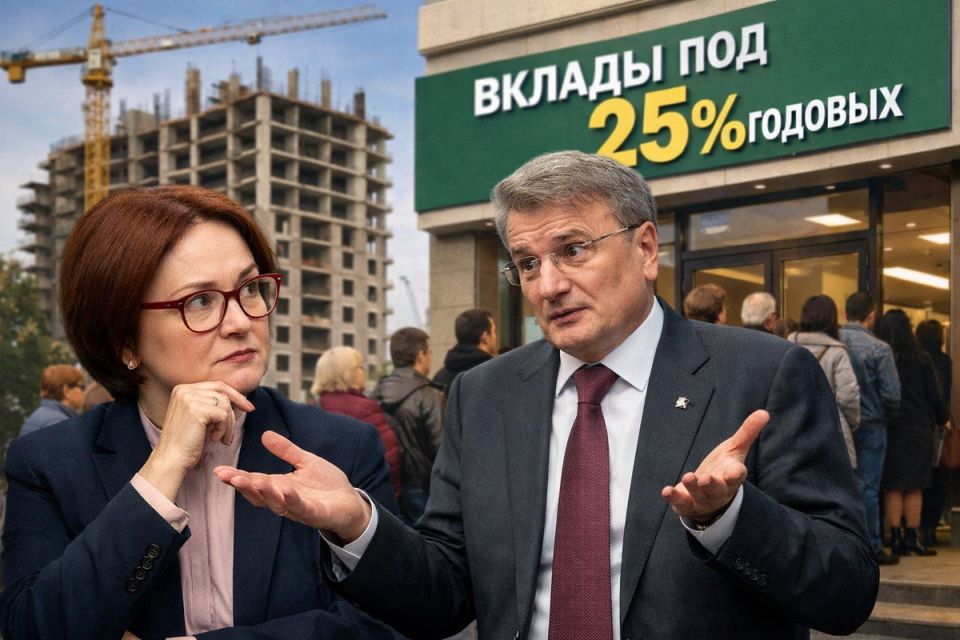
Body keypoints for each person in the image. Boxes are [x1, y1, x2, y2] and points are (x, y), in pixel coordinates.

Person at [216, 151, 877, 639]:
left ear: (646, 248)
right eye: (528, 263)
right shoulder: (484, 395)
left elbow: (846, 590)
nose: (548, 285)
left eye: (573, 250)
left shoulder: (763, 374)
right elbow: (446, 594)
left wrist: (730, 518)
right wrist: (358, 525)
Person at [0, 186, 402, 639]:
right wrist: (163, 469)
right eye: (200, 301)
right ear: (124, 341)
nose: (241, 322)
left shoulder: (339, 446)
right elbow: (33, 627)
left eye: (250, 288)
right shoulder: (49, 464)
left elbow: (388, 622)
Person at [876, 309, 949, 557]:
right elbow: (934, 396)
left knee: (893, 485)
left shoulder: (882, 355)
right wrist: (943, 418)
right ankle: (912, 538)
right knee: (915, 486)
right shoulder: (922, 358)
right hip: (918, 428)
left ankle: (895, 537)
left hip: (891, 426)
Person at [840, 292, 902, 565]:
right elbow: (892, 394)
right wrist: (886, 416)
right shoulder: (879, 348)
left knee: (841, 484)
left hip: (840, 422)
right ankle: (871, 546)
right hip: (872, 424)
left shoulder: (834, 342)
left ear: (845, 313)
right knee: (868, 487)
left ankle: (845, 542)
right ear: (872, 316)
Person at [372, 327, 445, 524]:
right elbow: (442, 448)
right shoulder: (430, 395)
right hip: (422, 487)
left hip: (385, 484)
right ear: (421, 355)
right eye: (429, 352)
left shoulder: (375, 393)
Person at [312, 346, 402, 498]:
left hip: (325, 496)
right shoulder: (366, 408)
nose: (363, 371)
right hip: (364, 497)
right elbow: (389, 458)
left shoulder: (313, 408)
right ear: (349, 373)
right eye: (360, 367)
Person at [787, 295, 860, 468]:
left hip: (792, 428)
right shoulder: (837, 352)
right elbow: (848, 396)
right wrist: (852, 423)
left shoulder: (787, 345)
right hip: (831, 431)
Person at [916, 319, 952, 548]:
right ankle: (930, 528)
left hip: (917, 426)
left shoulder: (914, 359)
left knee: (919, 479)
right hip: (937, 426)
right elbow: (943, 395)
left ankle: (917, 528)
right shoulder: (945, 361)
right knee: (939, 479)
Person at [432, 308, 498, 392]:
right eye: (494, 331)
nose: (496, 336)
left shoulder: (439, 378)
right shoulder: (494, 374)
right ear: (485, 337)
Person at [19, 364, 85, 437]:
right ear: (66, 390)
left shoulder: (38, 415)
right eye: (81, 387)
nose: (83, 391)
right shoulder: (59, 424)